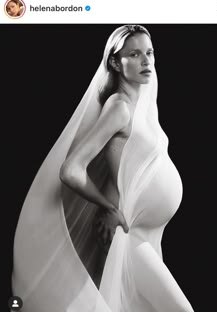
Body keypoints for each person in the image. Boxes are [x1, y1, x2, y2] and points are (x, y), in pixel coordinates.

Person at [12, 25, 194, 312]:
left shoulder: (144, 105)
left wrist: (115, 196)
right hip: (130, 236)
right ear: (114, 62)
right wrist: (108, 207)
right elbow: (71, 169)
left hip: (149, 234)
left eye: (149, 52)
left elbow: (121, 166)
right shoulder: (119, 107)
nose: (146, 61)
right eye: (134, 54)